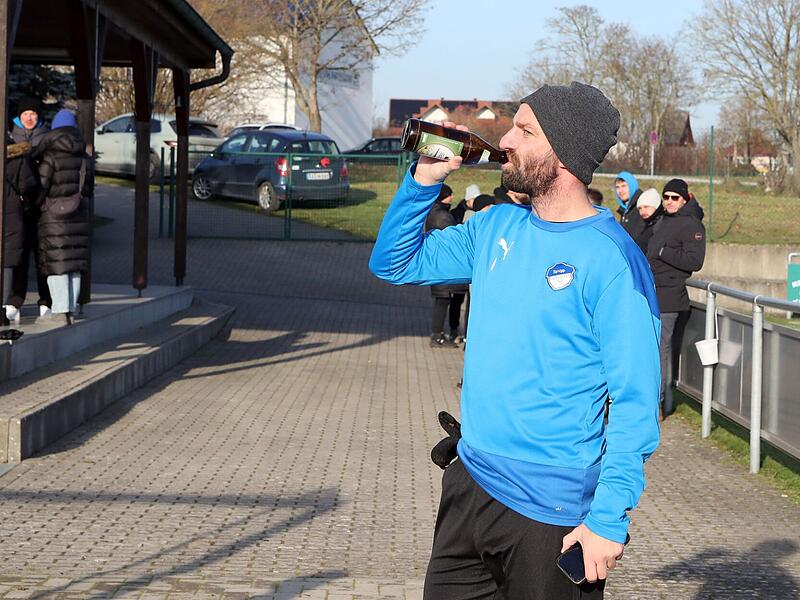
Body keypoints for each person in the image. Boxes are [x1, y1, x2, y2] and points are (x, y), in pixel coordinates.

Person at [370, 81, 660, 599]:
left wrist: (609, 520)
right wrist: (421, 181)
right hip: (470, 482)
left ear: (564, 154)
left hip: (550, 512)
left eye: (524, 130)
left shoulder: (613, 261)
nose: (504, 139)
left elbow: (637, 402)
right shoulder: (497, 224)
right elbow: (393, 263)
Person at [646, 178, 705, 419]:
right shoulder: (663, 220)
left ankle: (659, 403)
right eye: (666, 197)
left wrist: (663, 252)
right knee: (649, 349)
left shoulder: (692, 225)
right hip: (652, 292)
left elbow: (694, 262)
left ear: (684, 199)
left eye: (674, 198)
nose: (669, 202)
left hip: (670, 297)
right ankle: (651, 400)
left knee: (662, 350)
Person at [33, 109, 92, 325]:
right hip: (78, 215)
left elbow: (40, 186)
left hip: (53, 216)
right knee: (73, 263)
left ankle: (59, 310)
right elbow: (89, 187)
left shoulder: (49, 156)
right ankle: (72, 309)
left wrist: (37, 205)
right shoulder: (83, 155)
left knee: (57, 261)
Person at [8, 96, 52, 317]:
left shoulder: (47, 139)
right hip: (18, 209)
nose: (29, 118)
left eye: (33, 114)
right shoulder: (9, 139)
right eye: (25, 114)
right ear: (18, 116)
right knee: (19, 256)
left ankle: (46, 300)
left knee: (42, 255)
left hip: (42, 207)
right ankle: (15, 300)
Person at [3, 136, 40, 323]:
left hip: (11, 216)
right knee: (10, 262)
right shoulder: (20, 158)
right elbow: (29, 186)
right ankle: (8, 304)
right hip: (14, 216)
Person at [425, 184, 467, 347]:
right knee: (442, 300)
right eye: (449, 195)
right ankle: (437, 336)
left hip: (440, 264)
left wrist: (461, 208)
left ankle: (447, 332)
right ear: (442, 197)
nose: (451, 197)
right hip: (444, 265)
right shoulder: (441, 216)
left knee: (448, 299)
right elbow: (455, 233)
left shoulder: (438, 212)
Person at [631, 188, 663, 254]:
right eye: (640, 208)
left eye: (646, 207)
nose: (642, 211)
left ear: (656, 206)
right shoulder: (646, 226)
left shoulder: (662, 225)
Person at [614, 171, 643, 239]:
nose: (620, 191)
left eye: (624, 186)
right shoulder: (625, 209)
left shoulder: (640, 206)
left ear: (631, 185)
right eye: (617, 187)